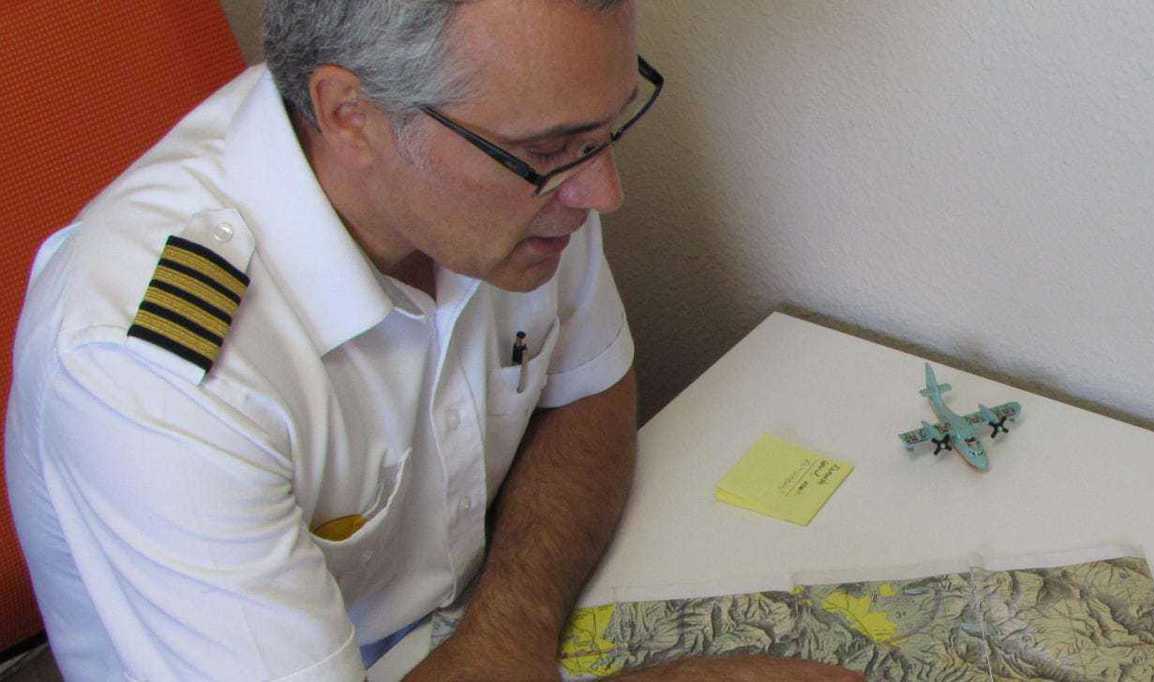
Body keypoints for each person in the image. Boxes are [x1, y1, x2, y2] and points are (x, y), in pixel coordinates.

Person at [5, 1, 856, 680]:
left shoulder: (526, 182)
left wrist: (506, 629)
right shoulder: (150, 372)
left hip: (487, 620)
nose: (603, 190)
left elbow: (589, 389)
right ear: (353, 115)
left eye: (605, 132)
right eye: (554, 151)